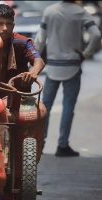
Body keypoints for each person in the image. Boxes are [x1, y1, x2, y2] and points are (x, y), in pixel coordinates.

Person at [34, 0, 101, 157]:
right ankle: (62, 145)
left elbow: (40, 39)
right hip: (73, 65)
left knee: (45, 107)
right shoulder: (80, 12)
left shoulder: (49, 11)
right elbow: (96, 35)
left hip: (53, 66)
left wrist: (35, 60)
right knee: (68, 106)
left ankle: (40, 143)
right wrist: (87, 53)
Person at [0, 4, 45, 86]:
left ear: (13, 25)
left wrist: (33, 73)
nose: (5, 28)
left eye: (8, 24)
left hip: (17, 93)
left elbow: (39, 61)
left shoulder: (22, 41)